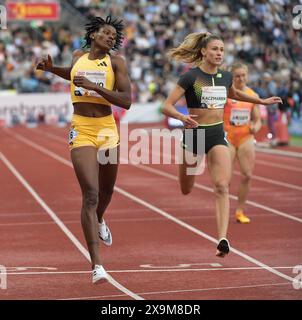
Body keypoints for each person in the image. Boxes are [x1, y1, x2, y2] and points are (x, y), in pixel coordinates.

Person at [162, 32, 282, 257]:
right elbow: (166, 106)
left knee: (222, 186)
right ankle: (191, 182)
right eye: (215, 49)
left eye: (222, 50)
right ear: (204, 52)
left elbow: (236, 94)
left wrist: (261, 100)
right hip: (194, 135)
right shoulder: (191, 78)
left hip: (217, 134)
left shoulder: (226, 77)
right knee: (186, 189)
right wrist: (181, 117)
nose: (219, 53)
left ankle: (222, 239)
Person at [36, 16, 131, 284]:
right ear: (93, 35)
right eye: (106, 33)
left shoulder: (116, 62)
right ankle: (97, 265)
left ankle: (100, 219)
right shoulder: (79, 56)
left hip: (107, 129)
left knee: (107, 190)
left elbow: (126, 101)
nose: (111, 37)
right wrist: (54, 70)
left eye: (114, 35)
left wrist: (97, 88)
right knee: (90, 193)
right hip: (82, 129)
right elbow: (75, 74)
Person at [223, 62, 262, 224]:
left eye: (243, 75)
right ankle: (223, 208)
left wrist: (255, 126)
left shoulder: (253, 95)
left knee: (247, 175)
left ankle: (239, 211)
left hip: (245, 137)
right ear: (232, 77)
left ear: (247, 76)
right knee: (225, 179)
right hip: (228, 136)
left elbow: (258, 119)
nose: (241, 78)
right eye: (237, 76)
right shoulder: (226, 94)